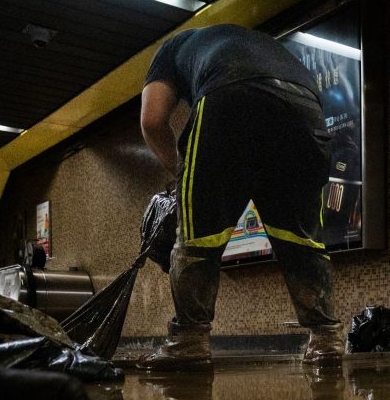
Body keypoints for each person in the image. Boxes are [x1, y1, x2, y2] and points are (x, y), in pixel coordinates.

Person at [138, 24, 339, 369]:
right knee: (300, 238)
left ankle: (189, 342)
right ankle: (326, 340)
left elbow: (153, 120)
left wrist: (181, 173)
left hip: (230, 95)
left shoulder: (171, 49)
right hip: (305, 109)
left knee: (199, 237)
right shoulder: (257, 43)